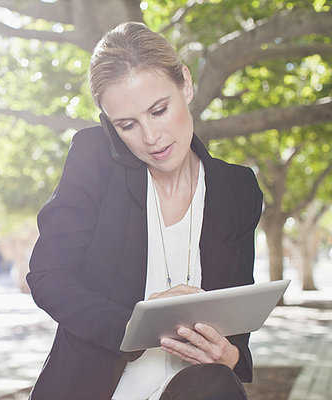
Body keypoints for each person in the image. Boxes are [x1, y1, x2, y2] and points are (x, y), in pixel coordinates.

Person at [26, 21, 263, 400]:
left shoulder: (237, 190)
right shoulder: (94, 159)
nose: (151, 138)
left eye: (159, 110)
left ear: (185, 83)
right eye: (127, 125)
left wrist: (231, 354)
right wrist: (132, 326)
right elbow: (47, 275)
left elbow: (236, 316)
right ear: (109, 123)